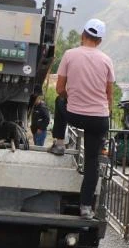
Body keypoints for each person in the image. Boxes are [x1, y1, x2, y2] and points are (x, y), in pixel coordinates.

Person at [49, 19, 115, 219]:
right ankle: (85, 207)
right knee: (92, 162)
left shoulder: (70, 55)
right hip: (99, 119)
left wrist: (72, 98)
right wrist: (106, 115)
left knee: (59, 102)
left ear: (82, 34)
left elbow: (60, 89)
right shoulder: (107, 60)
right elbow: (109, 95)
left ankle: (59, 143)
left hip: (75, 115)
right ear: (100, 40)